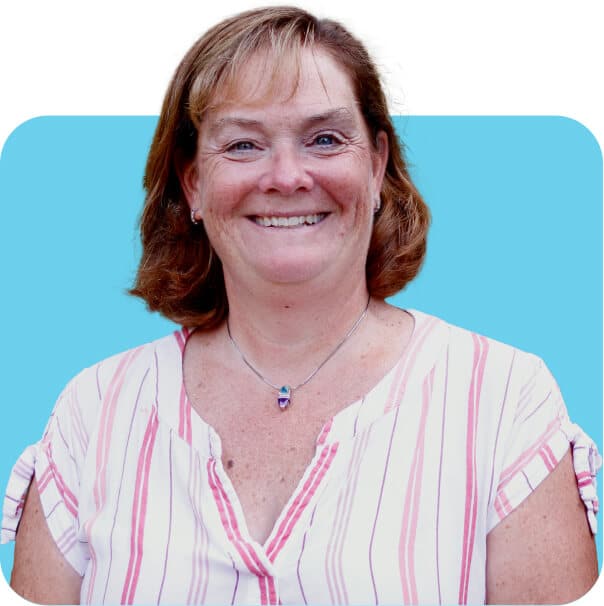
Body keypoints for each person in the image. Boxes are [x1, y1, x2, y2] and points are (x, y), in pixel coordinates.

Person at [2, 6, 600, 605]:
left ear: (376, 166)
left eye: (324, 139)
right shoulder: (93, 414)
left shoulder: (504, 402)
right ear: (193, 184)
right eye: (243, 144)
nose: (287, 177)